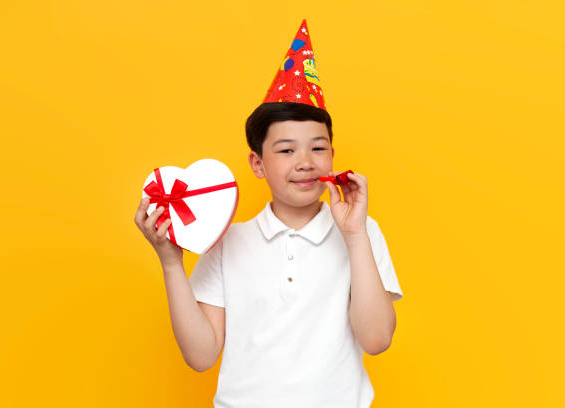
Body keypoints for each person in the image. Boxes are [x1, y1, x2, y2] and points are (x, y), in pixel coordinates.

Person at [134, 19, 403, 408]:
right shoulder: (229, 241)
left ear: (332, 154)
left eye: (318, 148)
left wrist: (356, 235)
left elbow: (377, 339)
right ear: (257, 163)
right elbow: (202, 355)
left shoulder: (361, 232)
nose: (305, 162)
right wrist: (172, 263)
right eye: (286, 150)